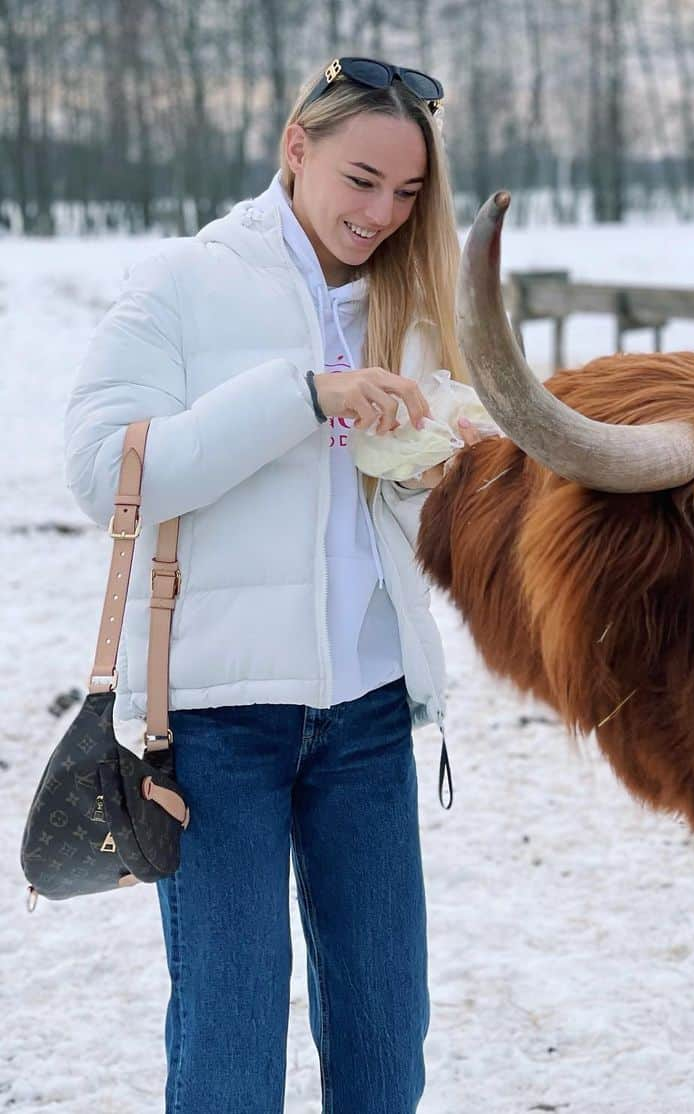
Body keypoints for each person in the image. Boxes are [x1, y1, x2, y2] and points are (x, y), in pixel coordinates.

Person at [62, 55, 488, 1114]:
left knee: (388, 1042)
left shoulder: (411, 303)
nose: (382, 213)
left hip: (369, 713)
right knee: (232, 1047)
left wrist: (434, 473)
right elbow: (105, 470)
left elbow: (386, 521)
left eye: (407, 193)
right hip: (215, 726)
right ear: (295, 147)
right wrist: (303, 396)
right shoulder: (184, 280)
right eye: (360, 179)